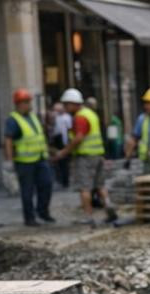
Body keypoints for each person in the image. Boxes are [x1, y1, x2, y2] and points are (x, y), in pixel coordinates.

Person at [52, 88, 116, 225]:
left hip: (85, 157)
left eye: (67, 104)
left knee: (84, 187)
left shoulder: (80, 117)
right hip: (98, 154)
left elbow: (78, 138)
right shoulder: (90, 114)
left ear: (74, 103)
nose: (65, 107)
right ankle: (109, 206)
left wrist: (63, 152)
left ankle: (88, 216)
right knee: (100, 185)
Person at [2, 89, 55, 227]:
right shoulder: (13, 120)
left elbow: (39, 136)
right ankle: (29, 218)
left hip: (40, 158)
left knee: (47, 184)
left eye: (29, 102)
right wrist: (9, 160)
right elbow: (8, 140)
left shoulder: (33, 117)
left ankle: (43, 211)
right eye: (26, 102)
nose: (29, 105)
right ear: (18, 104)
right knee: (27, 191)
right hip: (24, 162)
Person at [48, 101, 72, 187]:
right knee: (57, 161)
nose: (56, 112)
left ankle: (65, 181)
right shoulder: (55, 117)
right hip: (56, 140)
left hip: (63, 141)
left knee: (64, 162)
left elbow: (69, 129)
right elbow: (51, 127)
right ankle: (60, 179)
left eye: (57, 110)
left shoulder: (67, 117)